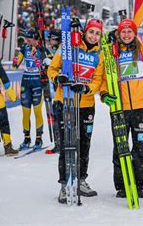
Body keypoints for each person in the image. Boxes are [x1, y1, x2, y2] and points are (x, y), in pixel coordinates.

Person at [100, 0, 143, 199]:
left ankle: (139, 184)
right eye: (123, 31)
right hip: (119, 107)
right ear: (118, 34)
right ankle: (121, 185)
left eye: (130, 31)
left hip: (142, 107)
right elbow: (102, 78)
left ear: (134, 34)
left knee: (140, 147)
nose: (126, 34)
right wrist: (104, 95)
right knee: (120, 147)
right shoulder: (110, 53)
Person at [47, 18, 105, 202]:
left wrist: (88, 89)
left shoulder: (100, 54)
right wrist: (58, 79)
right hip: (65, 101)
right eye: (91, 32)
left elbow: (98, 79)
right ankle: (65, 185)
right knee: (67, 145)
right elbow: (52, 69)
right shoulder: (68, 47)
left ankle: (80, 180)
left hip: (86, 104)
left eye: (97, 33)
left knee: (84, 145)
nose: (94, 36)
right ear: (85, 32)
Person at [12, 29, 50, 150]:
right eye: (27, 39)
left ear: (36, 40)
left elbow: (46, 69)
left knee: (37, 112)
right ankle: (26, 138)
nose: (28, 41)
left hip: (37, 83)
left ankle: (39, 139)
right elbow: (14, 66)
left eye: (30, 39)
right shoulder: (24, 48)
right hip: (26, 83)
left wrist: (37, 60)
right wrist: (16, 56)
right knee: (25, 113)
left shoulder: (42, 50)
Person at [44, 29, 62, 154]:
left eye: (51, 39)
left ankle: (60, 144)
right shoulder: (57, 50)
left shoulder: (61, 49)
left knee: (59, 118)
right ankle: (59, 143)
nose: (49, 41)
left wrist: (51, 63)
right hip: (57, 89)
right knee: (57, 117)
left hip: (62, 90)